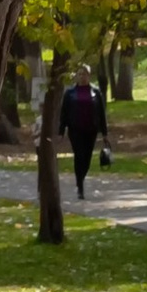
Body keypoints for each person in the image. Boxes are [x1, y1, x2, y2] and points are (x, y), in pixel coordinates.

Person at [60, 64, 110, 198]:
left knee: (87, 158)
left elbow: (101, 113)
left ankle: (81, 177)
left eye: (85, 74)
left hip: (91, 129)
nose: (82, 77)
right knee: (79, 155)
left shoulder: (96, 92)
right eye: (80, 74)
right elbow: (64, 113)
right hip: (75, 130)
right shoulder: (70, 93)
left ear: (89, 75)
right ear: (77, 76)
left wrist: (104, 133)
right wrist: (61, 131)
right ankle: (80, 185)